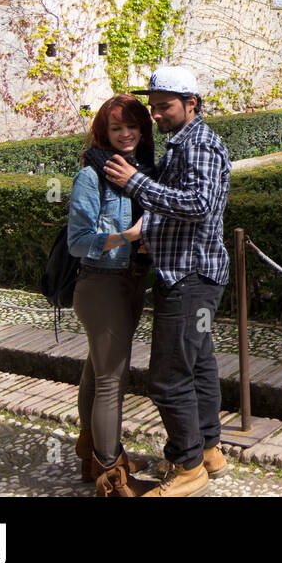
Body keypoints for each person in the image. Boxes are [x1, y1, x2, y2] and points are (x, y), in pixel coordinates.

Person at [103, 67, 231, 498]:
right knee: (198, 365)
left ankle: (187, 465)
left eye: (165, 107)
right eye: (153, 107)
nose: (156, 115)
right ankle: (208, 449)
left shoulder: (201, 144)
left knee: (168, 377)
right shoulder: (181, 144)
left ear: (191, 104)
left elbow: (199, 203)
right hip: (189, 271)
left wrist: (136, 182)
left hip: (191, 277)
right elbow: (179, 206)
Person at [66, 95, 159, 496]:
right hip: (102, 283)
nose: (125, 135)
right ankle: (112, 477)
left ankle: (95, 455)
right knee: (111, 379)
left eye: (132, 127)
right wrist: (128, 236)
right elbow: (78, 241)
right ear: (104, 133)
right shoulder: (92, 175)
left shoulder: (139, 170)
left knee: (96, 369)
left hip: (130, 280)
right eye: (117, 128)